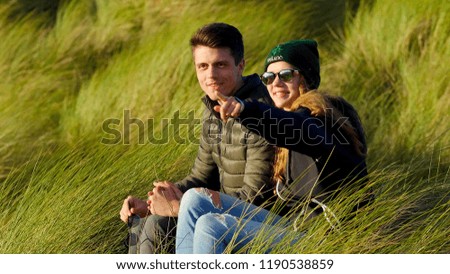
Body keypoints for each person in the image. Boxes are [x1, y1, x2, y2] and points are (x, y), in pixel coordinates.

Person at [175, 39, 369, 254]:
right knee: (195, 199)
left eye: (286, 75)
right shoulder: (290, 117)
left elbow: (297, 128)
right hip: (295, 227)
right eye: (268, 77)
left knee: (212, 226)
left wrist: (245, 109)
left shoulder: (323, 119)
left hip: (326, 240)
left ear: (306, 77)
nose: (275, 84)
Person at [119, 22, 275, 254]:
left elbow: (255, 199)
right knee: (148, 222)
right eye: (202, 66)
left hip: (255, 222)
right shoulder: (213, 106)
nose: (210, 75)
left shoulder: (259, 112)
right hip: (216, 208)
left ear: (240, 65)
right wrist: (152, 203)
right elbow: (201, 177)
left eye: (220, 65)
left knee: (158, 225)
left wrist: (177, 208)